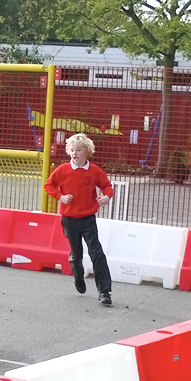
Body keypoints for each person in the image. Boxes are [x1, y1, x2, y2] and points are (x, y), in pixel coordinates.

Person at [43, 131, 114, 306]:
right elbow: (48, 185)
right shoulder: (63, 170)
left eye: (79, 150)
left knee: (96, 252)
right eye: (72, 150)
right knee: (76, 255)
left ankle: (104, 291)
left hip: (88, 218)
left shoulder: (94, 171)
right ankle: (78, 275)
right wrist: (60, 197)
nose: (75, 153)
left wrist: (107, 197)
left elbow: (106, 186)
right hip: (69, 219)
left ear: (87, 152)